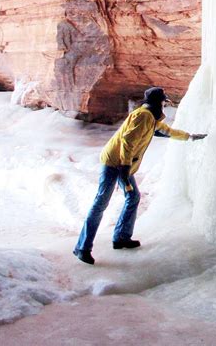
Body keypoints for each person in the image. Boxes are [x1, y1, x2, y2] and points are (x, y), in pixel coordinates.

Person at [73, 86, 207, 265]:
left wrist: (189, 136)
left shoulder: (150, 118)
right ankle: (82, 248)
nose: (164, 105)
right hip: (115, 162)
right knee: (101, 202)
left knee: (133, 197)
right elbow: (127, 141)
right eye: (163, 101)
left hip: (122, 163)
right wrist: (125, 167)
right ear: (157, 102)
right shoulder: (143, 116)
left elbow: (167, 131)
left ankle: (121, 237)